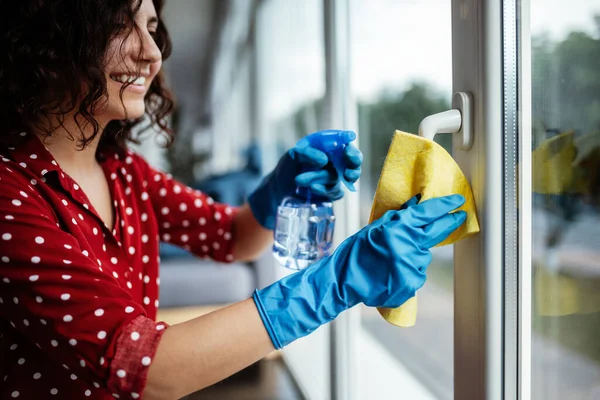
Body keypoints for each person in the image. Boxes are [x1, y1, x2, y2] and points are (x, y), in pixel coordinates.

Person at [0, 0, 467, 399]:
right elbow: (147, 367)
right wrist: (335, 282)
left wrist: (278, 189)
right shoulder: (10, 195)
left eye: (152, 27)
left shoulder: (124, 172)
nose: (149, 53)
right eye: (120, 24)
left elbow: (230, 238)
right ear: (50, 36)